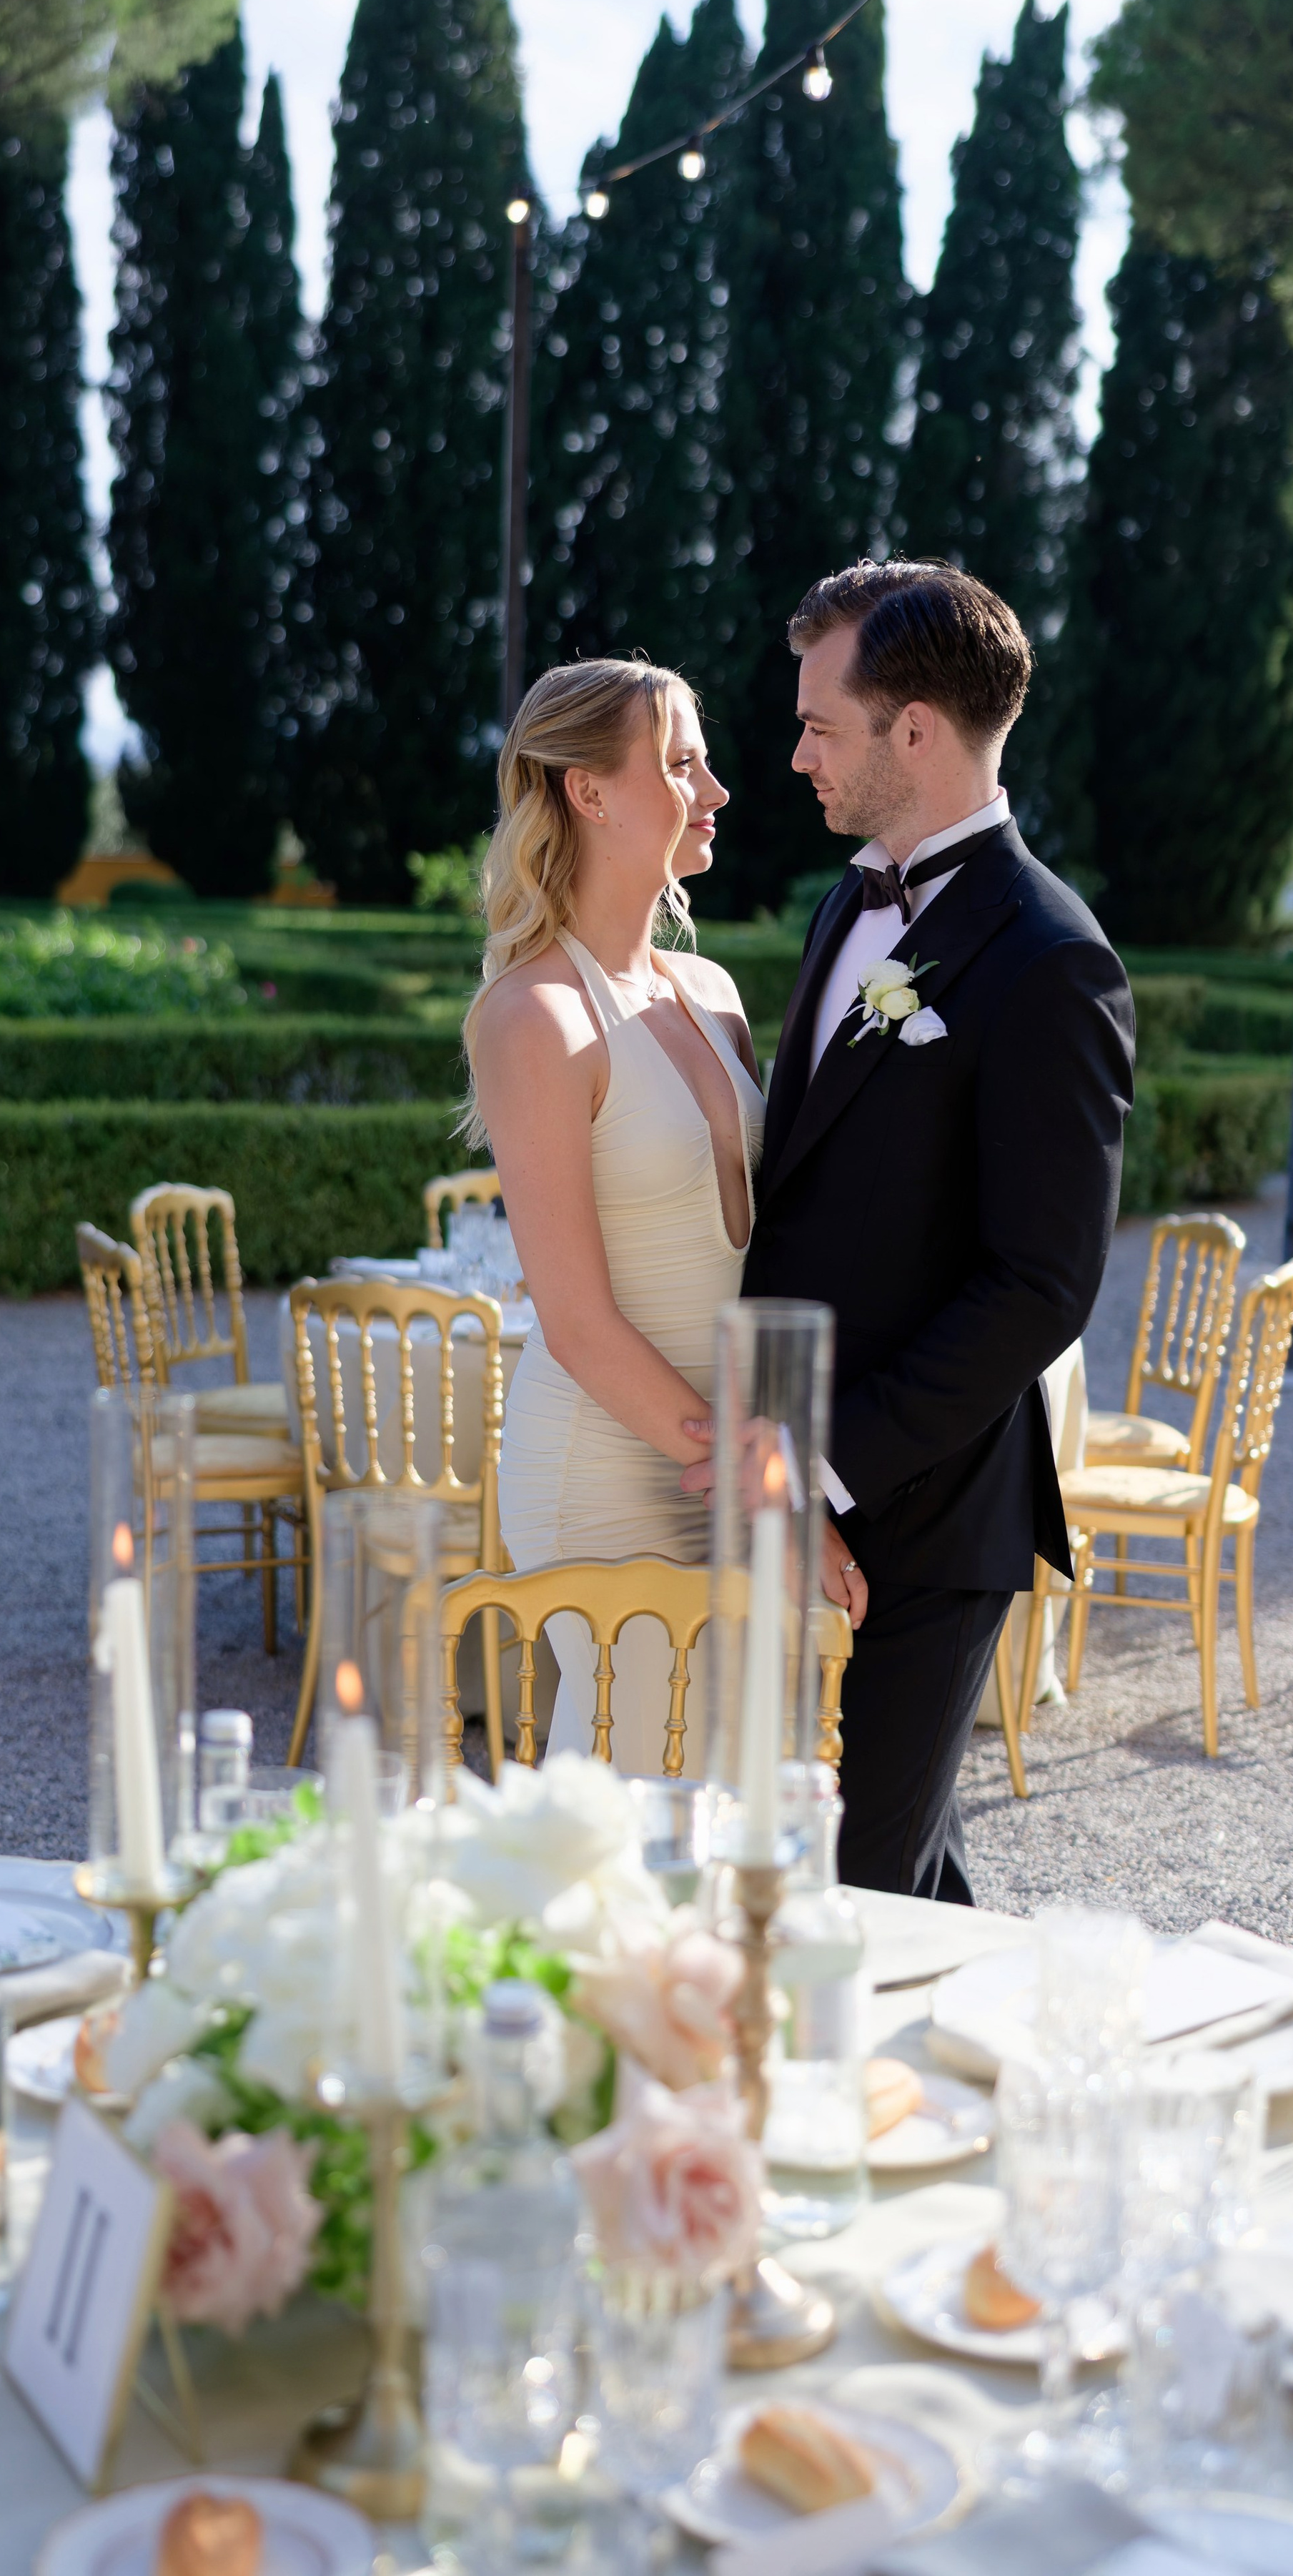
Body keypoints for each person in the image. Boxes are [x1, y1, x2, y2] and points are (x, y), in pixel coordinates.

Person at [732, 558, 1134, 1902]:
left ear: (915, 730)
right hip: (799, 1480)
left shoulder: (1051, 958)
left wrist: (830, 1469)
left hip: (926, 1502)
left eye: (819, 726)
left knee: (855, 1891)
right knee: (904, 1881)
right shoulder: (849, 899)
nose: (795, 756)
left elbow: (1042, 1284)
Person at [466, 659, 765, 1770]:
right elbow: (577, 1322)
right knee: (636, 1808)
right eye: (683, 763)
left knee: (733, 1803)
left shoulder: (716, 994)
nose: (717, 789)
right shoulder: (532, 1013)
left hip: (719, 1454)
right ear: (588, 791)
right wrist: (751, 1474)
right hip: (605, 1466)